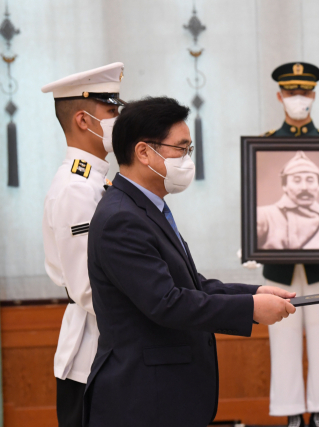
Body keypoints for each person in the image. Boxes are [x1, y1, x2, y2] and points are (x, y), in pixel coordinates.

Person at [84, 97, 296, 427]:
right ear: (144, 152)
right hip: (142, 399)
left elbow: (192, 286)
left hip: (163, 394)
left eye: (189, 150)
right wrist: (250, 309)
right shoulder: (121, 219)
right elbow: (166, 303)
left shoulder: (144, 208)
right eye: (181, 149)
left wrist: (255, 293)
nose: (187, 159)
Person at [259, 62, 319, 427]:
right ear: (280, 96)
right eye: (292, 92)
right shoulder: (262, 147)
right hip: (277, 263)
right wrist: (254, 243)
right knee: (282, 337)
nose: (298, 99)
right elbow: (256, 199)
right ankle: (292, 412)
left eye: (305, 92)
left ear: (314, 95)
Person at [41, 62, 125, 427]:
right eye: (111, 110)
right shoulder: (76, 189)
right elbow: (89, 288)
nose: (119, 119)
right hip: (92, 359)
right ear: (82, 120)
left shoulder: (94, 182)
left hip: (110, 353)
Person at [257, 151, 319, 250]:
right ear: (284, 186)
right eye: (296, 181)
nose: (304, 187)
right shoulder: (264, 216)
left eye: (310, 180)